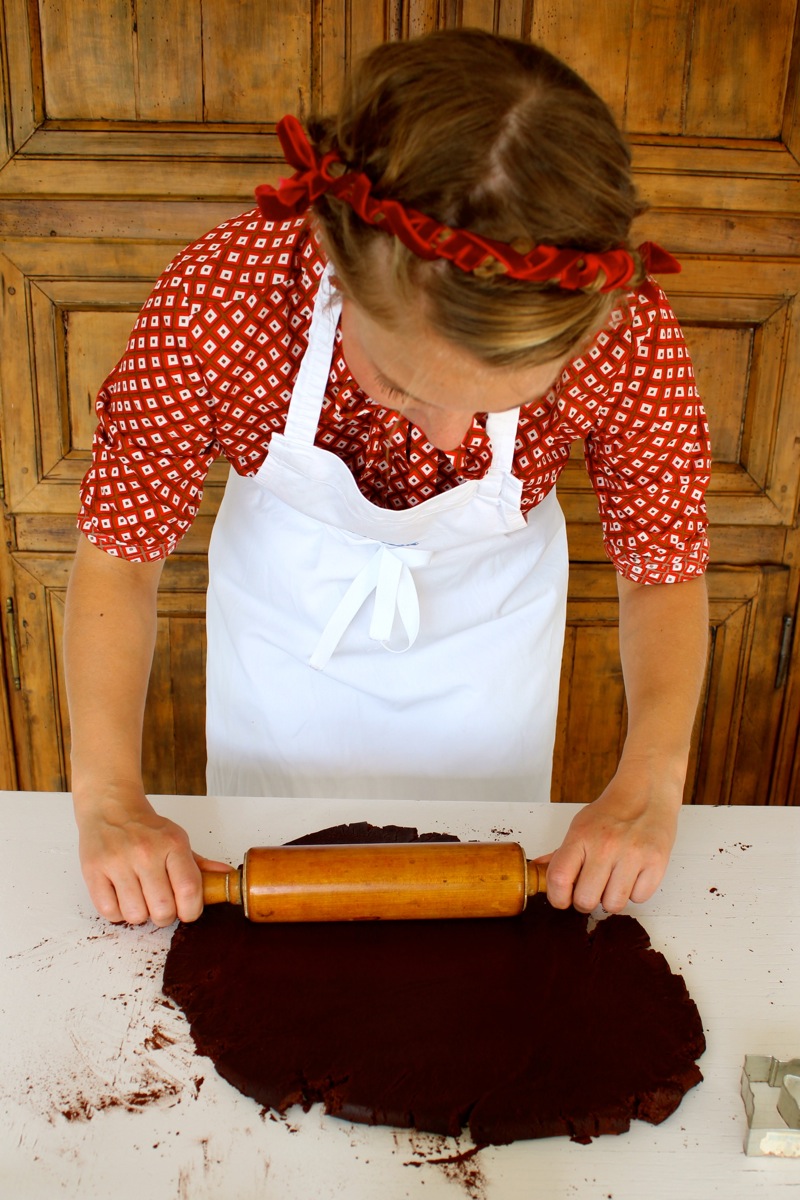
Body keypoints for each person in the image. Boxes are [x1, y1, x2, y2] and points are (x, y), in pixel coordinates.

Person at [64, 29, 711, 930]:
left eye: (500, 402)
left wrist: (650, 781)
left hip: (488, 643)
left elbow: (662, 572)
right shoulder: (226, 299)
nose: (450, 437)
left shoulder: (626, 332)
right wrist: (107, 800)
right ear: (335, 264)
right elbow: (119, 561)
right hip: (285, 634)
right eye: (405, 387)